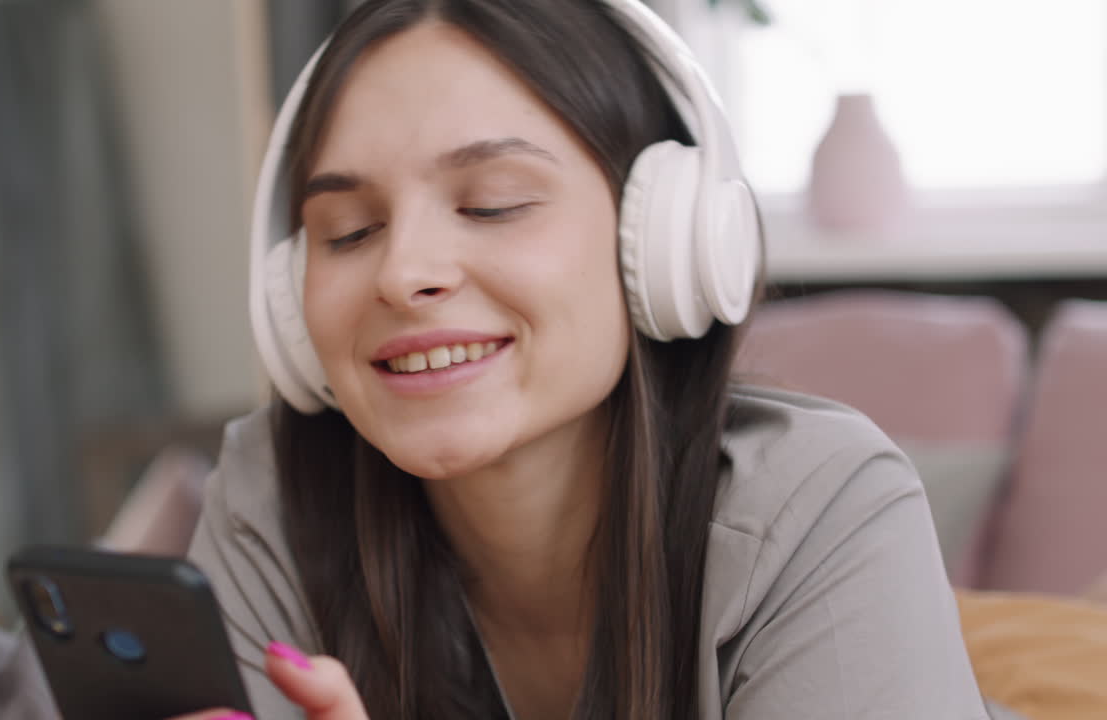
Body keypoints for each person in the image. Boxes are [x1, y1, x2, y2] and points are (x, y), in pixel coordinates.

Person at [181, 0, 990, 718]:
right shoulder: (271, 497)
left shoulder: (820, 510)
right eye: (348, 231)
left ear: (665, 240)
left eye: (493, 203)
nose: (402, 273)